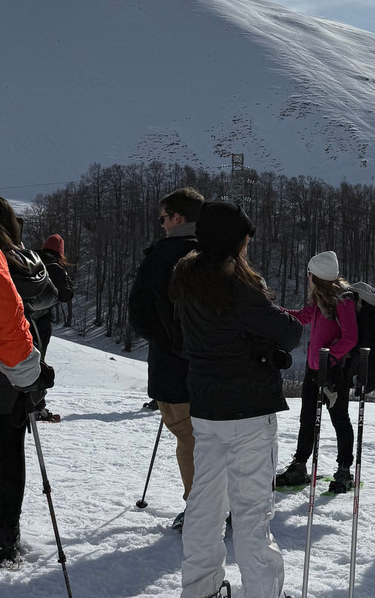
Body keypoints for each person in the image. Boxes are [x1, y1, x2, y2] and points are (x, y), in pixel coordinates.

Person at [170, 200, 302, 598]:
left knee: (204, 506)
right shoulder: (236, 285)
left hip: (206, 408)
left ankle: (200, 590)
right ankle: (263, 592)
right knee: (251, 513)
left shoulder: (186, 277)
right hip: (249, 411)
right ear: (235, 240)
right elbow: (289, 332)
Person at [0, 198, 57, 564]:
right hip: (13, 364)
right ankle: (7, 531)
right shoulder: (22, 257)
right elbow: (47, 297)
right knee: (9, 449)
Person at [128, 186, 205, 531]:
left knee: (188, 435)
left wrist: (165, 340)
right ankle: (227, 502)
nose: (160, 225)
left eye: (162, 218)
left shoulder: (161, 256)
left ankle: (200, 507)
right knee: (215, 435)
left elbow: (140, 314)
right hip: (216, 362)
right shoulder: (217, 252)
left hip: (173, 364)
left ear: (177, 218)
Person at [274, 250, 358, 494]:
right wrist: (274, 311)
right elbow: (302, 317)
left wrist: (328, 357)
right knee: (307, 419)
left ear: (316, 276)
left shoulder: (343, 300)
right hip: (313, 369)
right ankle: (299, 466)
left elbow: (351, 338)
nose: (307, 277)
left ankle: (344, 470)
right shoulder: (319, 298)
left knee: (339, 419)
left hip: (334, 373)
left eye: (309, 273)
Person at [34, 234, 74, 354]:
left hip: (21, 315)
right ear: (60, 254)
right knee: (38, 356)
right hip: (41, 320)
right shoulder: (56, 269)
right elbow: (67, 296)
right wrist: (66, 277)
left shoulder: (31, 260)